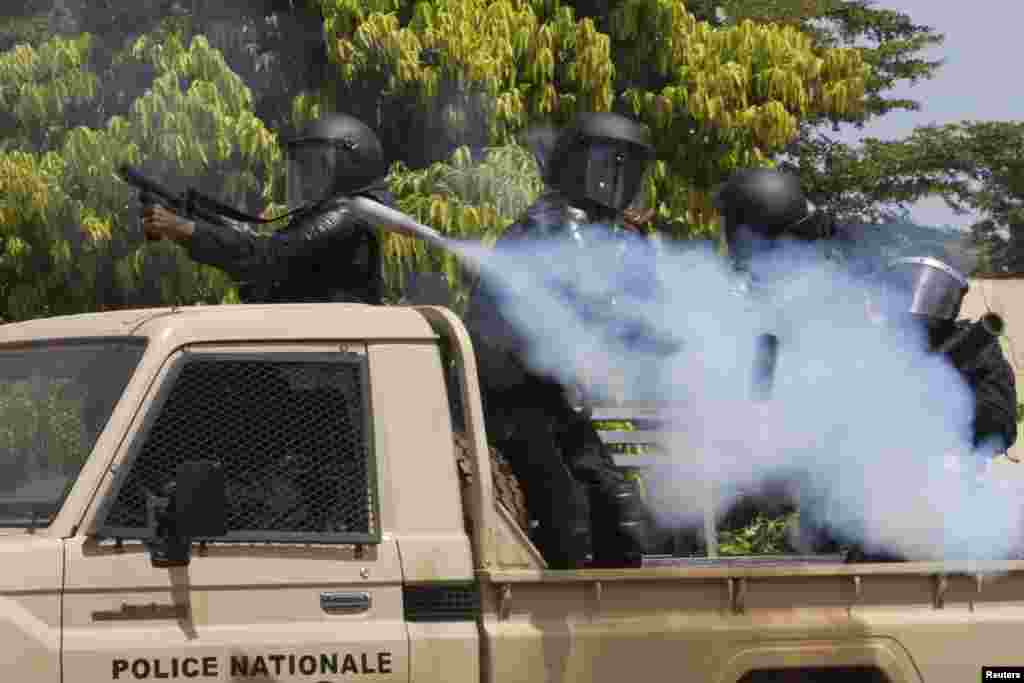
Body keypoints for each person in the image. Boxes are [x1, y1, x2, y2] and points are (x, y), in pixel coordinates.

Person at [463, 112, 659, 569]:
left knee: (619, 512)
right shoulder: (551, 222)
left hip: (556, 400)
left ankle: (613, 615)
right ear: (574, 167)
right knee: (567, 513)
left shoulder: (590, 229)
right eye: (606, 165)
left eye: (625, 168)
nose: (615, 180)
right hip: (513, 401)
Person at [141, 113, 395, 304]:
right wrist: (196, 224)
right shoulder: (333, 216)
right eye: (302, 167)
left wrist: (184, 229)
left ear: (350, 166)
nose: (305, 178)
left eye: (315, 167)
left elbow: (265, 257)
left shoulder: (345, 217)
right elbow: (265, 257)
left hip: (329, 362)